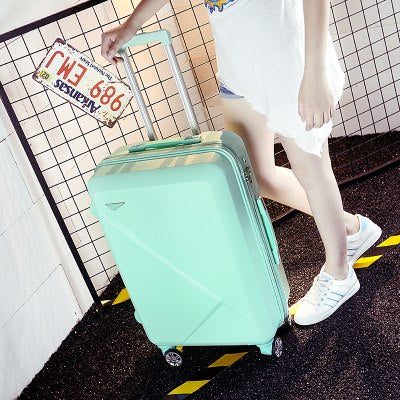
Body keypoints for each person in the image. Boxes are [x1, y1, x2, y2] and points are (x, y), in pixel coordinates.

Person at [100, 0, 382, 325]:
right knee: (254, 175)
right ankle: (350, 229)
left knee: (311, 170)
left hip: (288, 63)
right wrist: (132, 25)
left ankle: (339, 272)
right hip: (238, 68)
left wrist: (315, 71)